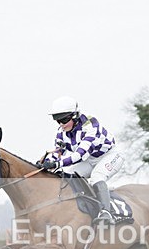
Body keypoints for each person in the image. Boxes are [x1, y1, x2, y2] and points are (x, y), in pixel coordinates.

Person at [41, 96, 125, 224]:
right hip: (90, 159)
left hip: (110, 156)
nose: (61, 124)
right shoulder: (61, 132)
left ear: (74, 116)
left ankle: (106, 212)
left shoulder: (90, 125)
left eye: (64, 120)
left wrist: (57, 163)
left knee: (97, 177)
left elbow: (79, 155)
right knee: (68, 176)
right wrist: (45, 164)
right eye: (57, 120)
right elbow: (58, 152)